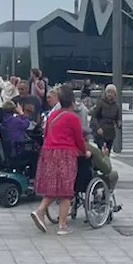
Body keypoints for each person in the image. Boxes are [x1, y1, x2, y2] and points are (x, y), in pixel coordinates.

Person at [29, 85, 88, 235]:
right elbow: (79, 139)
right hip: (65, 154)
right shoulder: (73, 118)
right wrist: (84, 152)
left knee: (53, 186)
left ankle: (40, 210)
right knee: (66, 191)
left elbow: (46, 133)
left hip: (48, 152)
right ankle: (62, 226)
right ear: (72, 101)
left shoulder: (51, 115)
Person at [91, 84, 121, 154]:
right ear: (106, 93)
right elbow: (94, 116)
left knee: (107, 153)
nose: (110, 94)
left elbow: (117, 118)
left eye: (112, 92)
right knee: (102, 152)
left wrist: (119, 123)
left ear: (115, 94)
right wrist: (98, 128)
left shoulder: (116, 106)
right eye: (108, 92)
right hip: (101, 132)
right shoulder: (101, 103)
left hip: (110, 132)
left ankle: (106, 164)